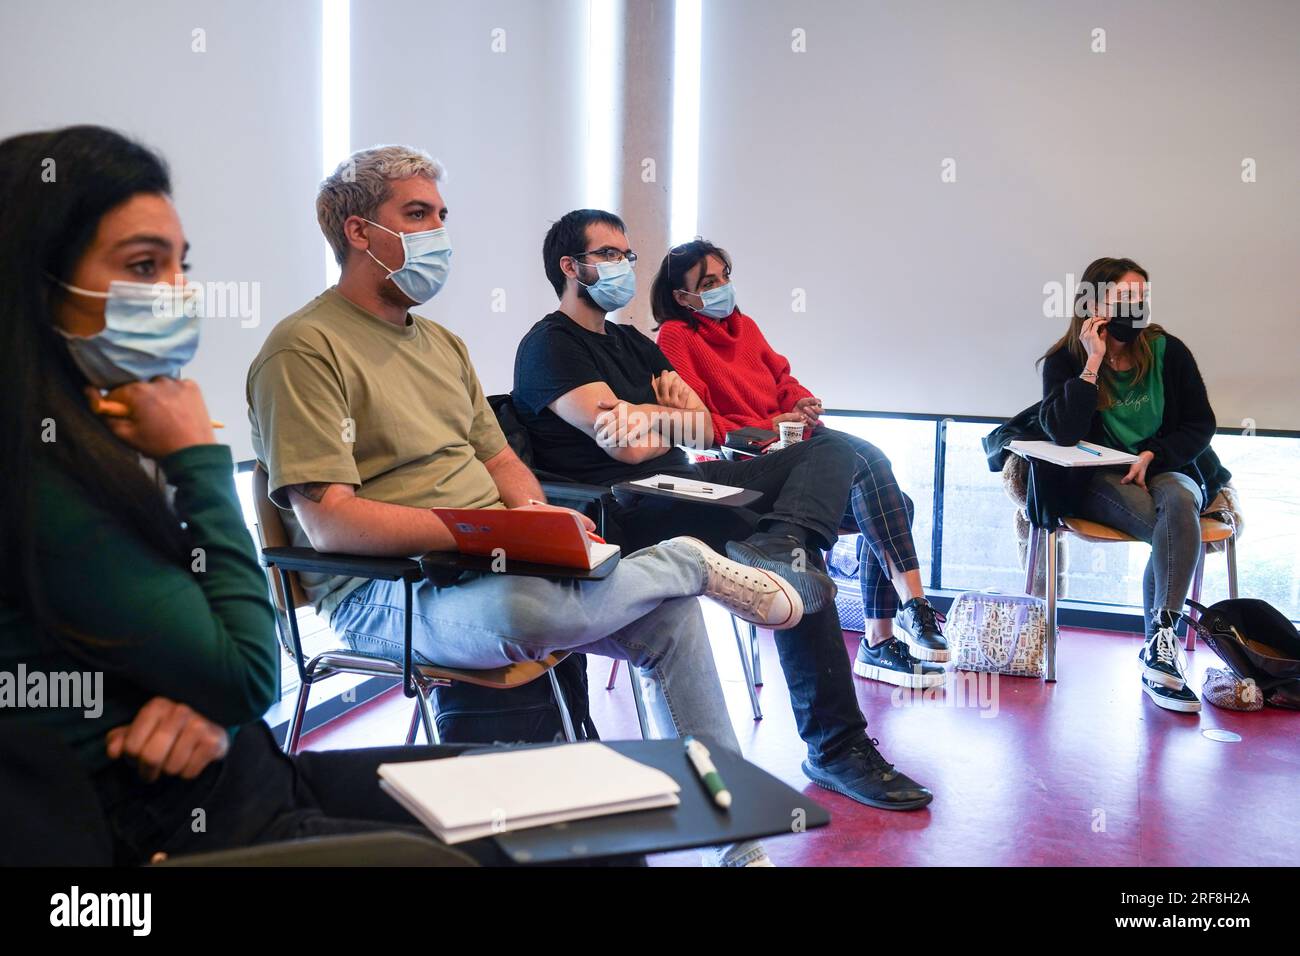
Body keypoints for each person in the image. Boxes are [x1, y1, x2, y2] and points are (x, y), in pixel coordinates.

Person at [246, 146, 816, 866]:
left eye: (441, 215)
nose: (438, 233)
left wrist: (534, 516)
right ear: (359, 232)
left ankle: (738, 845)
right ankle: (686, 563)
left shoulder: (443, 345)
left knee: (667, 616)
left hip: (497, 557)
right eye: (416, 214)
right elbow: (330, 524)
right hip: (391, 588)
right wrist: (478, 534)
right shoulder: (303, 349)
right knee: (527, 612)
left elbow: (501, 458)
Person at [0, 124, 510, 866]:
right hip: (184, 829)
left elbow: (203, 666)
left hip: (245, 773)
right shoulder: (44, 481)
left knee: (547, 809)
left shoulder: (101, 436)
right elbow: (249, 669)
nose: (175, 292)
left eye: (181, 265)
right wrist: (200, 460)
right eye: (144, 264)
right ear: (36, 281)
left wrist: (204, 698)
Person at [512, 209, 935, 811]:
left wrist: (649, 420)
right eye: (608, 255)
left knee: (832, 447)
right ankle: (837, 747)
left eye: (626, 256)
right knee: (802, 550)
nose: (623, 267)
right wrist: (662, 421)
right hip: (627, 509)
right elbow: (625, 445)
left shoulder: (631, 342)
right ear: (570, 267)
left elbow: (705, 429)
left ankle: (784, 542)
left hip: (685, 482)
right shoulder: (548, 345)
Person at [650, 239, 951, 687]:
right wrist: (771, 422)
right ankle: (910, 613)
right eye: (708, 283)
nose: (722, 289)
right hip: (751, 460)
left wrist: (800, 403)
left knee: (894, 507)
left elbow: (781, 379)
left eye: (725, 277)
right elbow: (701, 425)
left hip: (800, 445)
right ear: (682, 296)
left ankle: (880, 640)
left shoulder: (743, 326)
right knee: (869, 464)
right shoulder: (676, 337)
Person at [1039, 257, 1227, 713]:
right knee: (1171, 528)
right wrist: (1093, 363)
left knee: (1179, 501)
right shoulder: (1063, 361)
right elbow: (1062, 434)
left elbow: (1201, 423)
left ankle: (1160, 643)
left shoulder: (1168, 351)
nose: (1135, 306)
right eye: (1124, 298)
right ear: (1093, 303)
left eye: (1141, 297)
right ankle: (1161, 657)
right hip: (1098, 476)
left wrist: (1154, 454)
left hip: (1164, 464)